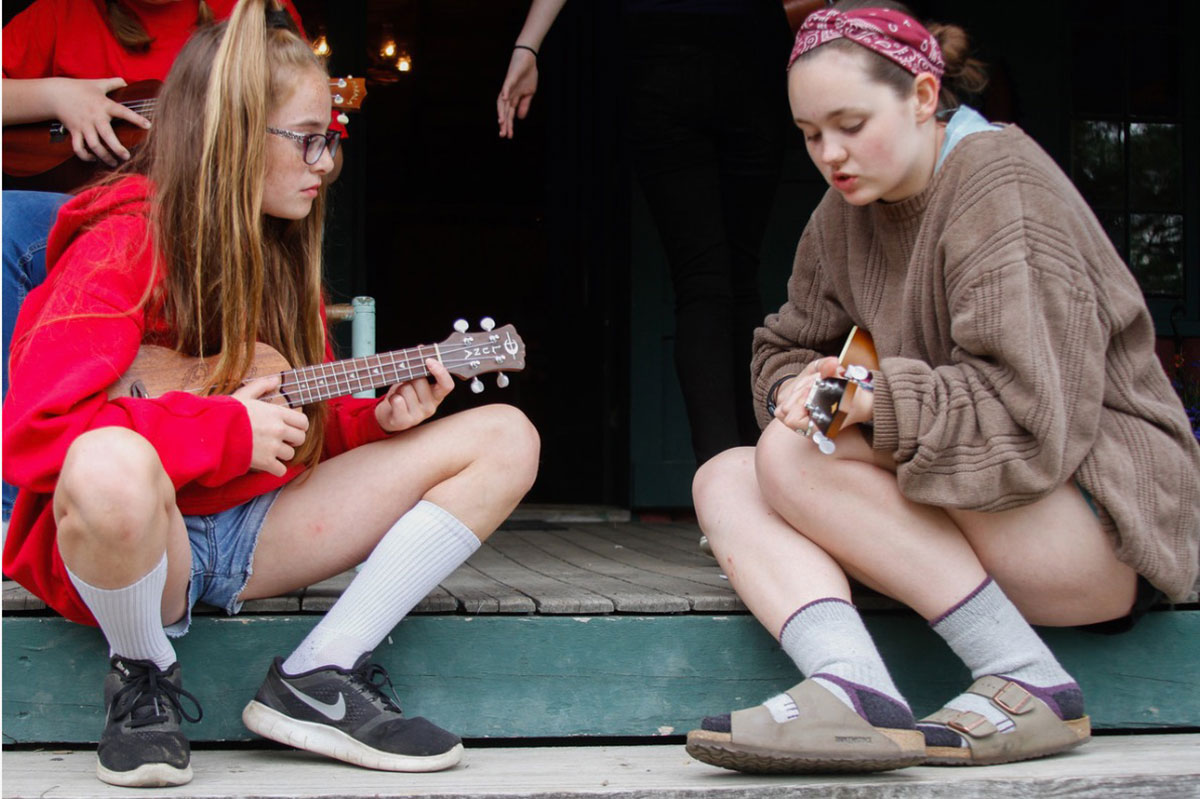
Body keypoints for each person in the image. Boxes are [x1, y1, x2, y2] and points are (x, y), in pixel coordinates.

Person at [2, 0, 540, 787]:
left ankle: (319, 673)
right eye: (309, 138)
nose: (328, 161)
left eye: (334, 139)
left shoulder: (276, 252)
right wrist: (221, 430)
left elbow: (296, 421)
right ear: (229, 136)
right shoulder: (121, 242)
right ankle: (144, 676)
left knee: (507, 435)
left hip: (255, 532)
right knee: (106, 465)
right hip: (151, 547)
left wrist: (374, 421)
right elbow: (33, 435)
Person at [685, 1, 1200, 774]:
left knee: (793, 461)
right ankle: (850, 687)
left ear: (924, 97)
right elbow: (784, 346)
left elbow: (1030, 427)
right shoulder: (844, 211)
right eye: (810, 133)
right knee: (725, 474)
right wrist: (807, 388)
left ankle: (1029, 680)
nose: (830, 152)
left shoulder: (999, 184)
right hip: (981, 503)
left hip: (1100, 524)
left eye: (851, 124)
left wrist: (868, 401)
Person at [0, 0, 333, 527]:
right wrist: (55, 95)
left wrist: (380, 417)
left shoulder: (247, 12)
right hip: (123, 218)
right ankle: (14, 505)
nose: (327, 161)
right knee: (8, 223)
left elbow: (295, 100)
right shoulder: (59, 14)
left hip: (221, 226)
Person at [497, 0, 792, 467]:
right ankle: (754, 480)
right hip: (748, 54)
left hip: (670, 61)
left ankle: (724, 488)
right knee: (737, 276)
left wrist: (528, 44)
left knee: (704, 284)